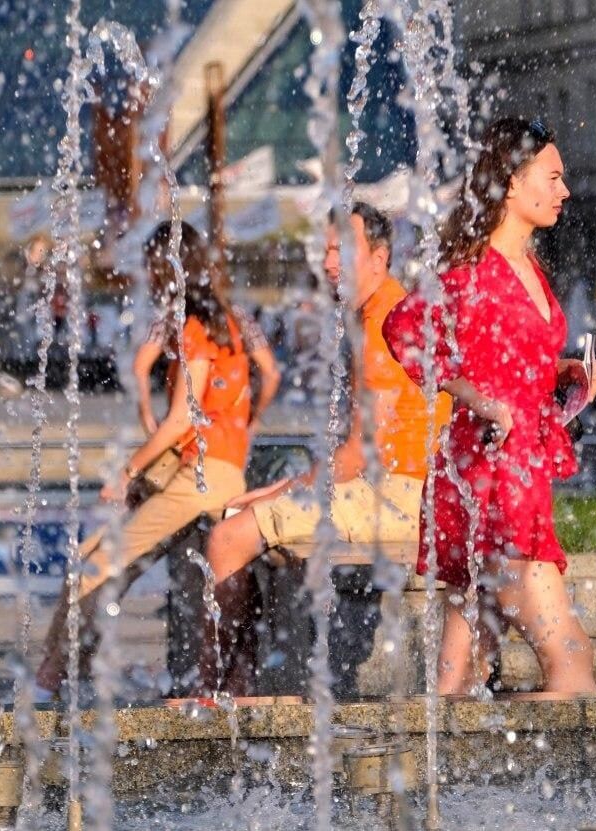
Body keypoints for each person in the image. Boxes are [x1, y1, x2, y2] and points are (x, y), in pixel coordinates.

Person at [383, 117, 596, 695]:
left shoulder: (529, 268)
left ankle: (438, 753)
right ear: (511, 183)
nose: (564, 191)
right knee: (571, 664)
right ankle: (568, 760)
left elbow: (509, 361)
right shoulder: (473, 272)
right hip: (492, 478)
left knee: (458, 682)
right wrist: (474, 397)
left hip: (515, 475)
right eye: (552, 178)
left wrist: (565, 372)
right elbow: (404, 329)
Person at [198, 201, 451, 696]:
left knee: (226, 539)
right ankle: (240, 682)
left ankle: (215, 694)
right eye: (327, 251)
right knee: (246, 523)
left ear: (378, 259)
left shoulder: (382, 325)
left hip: (401, 497)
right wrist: (282, 490)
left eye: (342, 251)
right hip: (406, 490)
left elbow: (359, 455)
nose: (329, 263)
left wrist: (280, 491)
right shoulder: (387, 311)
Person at [34, 221, 252, 699]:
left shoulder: (194, 328)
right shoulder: (222, 321)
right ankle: (62, 673)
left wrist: (128, 471)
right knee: (92, 561)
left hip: (203, 479)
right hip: (202, 469)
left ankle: (52, 680)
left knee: (97, 567)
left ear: (173, 267)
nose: (149, 277)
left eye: (154, 266)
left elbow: (180, 418)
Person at [133, 255, 280, 435]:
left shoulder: (173, 315)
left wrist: (148, 419)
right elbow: (271, 373)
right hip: (229, 433)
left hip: (186, 435)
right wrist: (253, 418)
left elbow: (140, 367)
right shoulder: (236, 316)